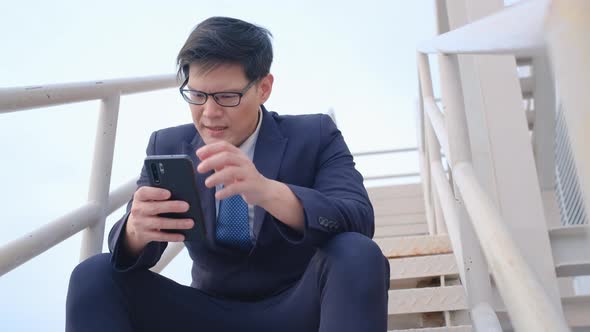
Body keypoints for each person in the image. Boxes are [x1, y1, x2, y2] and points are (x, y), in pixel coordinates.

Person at [66, 16, 390, 332]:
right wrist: (136, 232)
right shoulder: (169, 144)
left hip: (298, 307)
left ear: (264, 88)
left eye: (226, 97)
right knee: (93, 275)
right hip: (207, 311)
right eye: (197, 95)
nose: (209, 113)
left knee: (357, 253)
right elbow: (132, 256)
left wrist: (268, 191)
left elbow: (358, 218)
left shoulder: (315, 134)